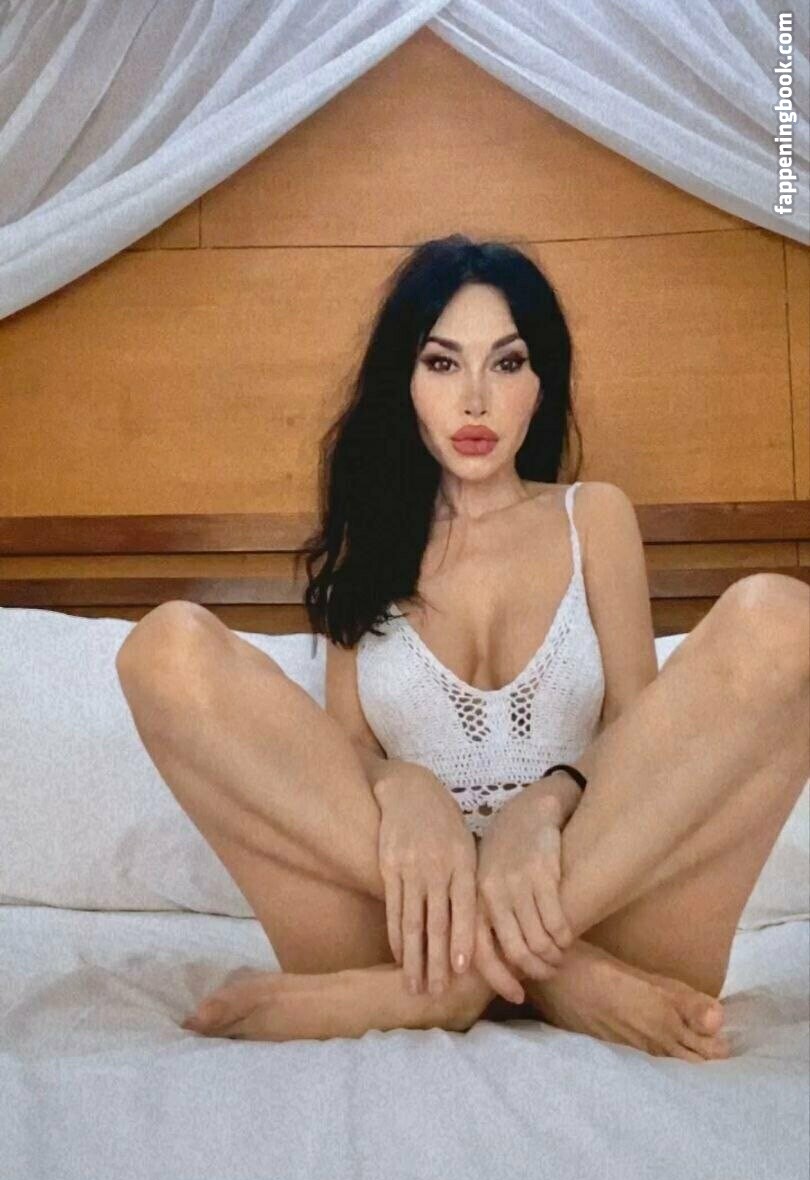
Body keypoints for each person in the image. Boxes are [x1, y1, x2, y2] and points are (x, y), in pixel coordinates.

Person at [115, 235, 809, 1058]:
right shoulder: (369, 543)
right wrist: (406, 788)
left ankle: (452, 985)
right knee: (164, 649)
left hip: (602, 909)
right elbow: (341, 759)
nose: (475, 399)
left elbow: (638, 740)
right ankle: (547, 977)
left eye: (506, 364)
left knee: (783, 617)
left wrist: (541, 809)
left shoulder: (594, 517)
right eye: (442, 364)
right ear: (405, 383)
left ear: (540, 384)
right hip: (396, 923)